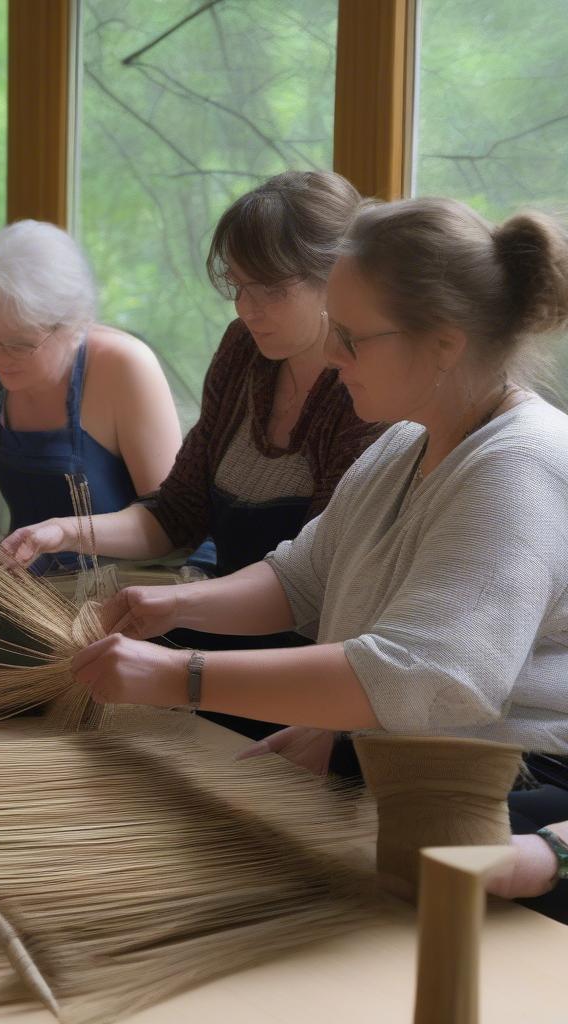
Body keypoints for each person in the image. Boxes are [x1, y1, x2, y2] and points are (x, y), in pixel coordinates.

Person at [70, 197, 568, 777]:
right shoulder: (404, 443)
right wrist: (169, 606)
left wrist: (178, 676)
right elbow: (301, 578)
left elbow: (425, 675)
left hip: (507, 789)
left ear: (444, 343)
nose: (332, 357)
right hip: (408, 762)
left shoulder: (520, 465)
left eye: (351, 337)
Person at [4, 172, 383, 738]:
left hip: (299, 654)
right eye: (238, 286)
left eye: (271, 290)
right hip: (220, 620)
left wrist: (184, 610)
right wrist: (63, 531)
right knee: (44, 650)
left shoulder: (367, 392)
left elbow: (314, 585)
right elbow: (176, 512)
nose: (248, 309)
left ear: (337, 277)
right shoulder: (243, 352)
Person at [0, 220, 182, 573]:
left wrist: (65, 532)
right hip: (28, 594)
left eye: (19, 344)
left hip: (127, 590)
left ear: (74, 325)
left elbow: (172, 524)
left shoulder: (126, 368)